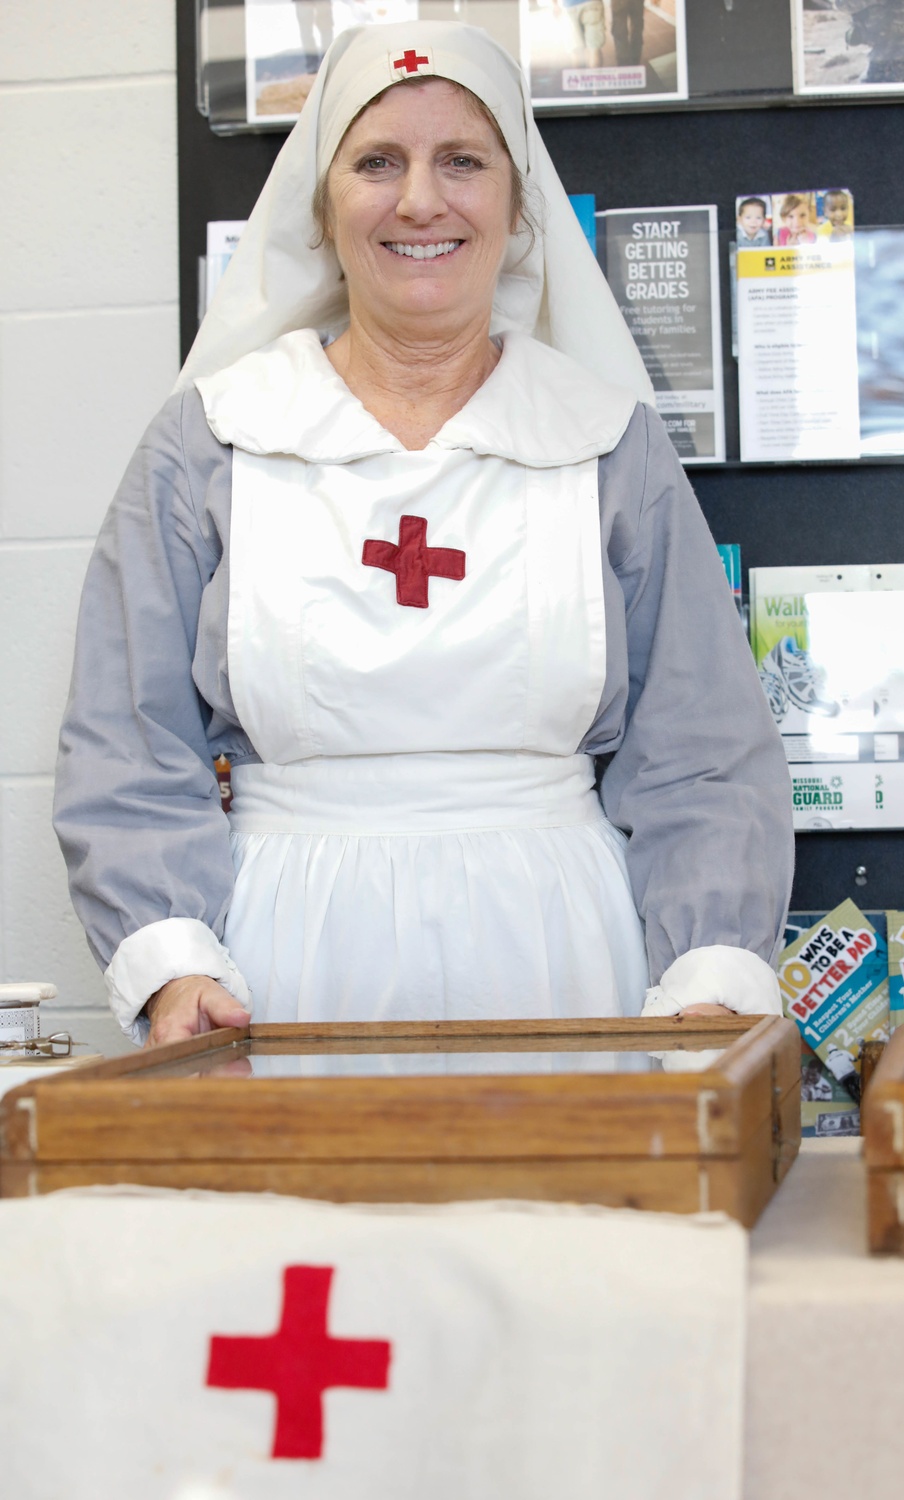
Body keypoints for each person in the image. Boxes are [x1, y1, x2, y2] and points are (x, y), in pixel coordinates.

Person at [53, 21, 794, 1048]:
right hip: (278, 960)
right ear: (321, 203)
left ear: (515, 199)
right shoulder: (210, 441)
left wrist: (708, 971)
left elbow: (702, 755)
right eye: (376, 162)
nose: (419, 200)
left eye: (461, 161)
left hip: (564, 952)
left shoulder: (603, 441)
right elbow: (124, 740)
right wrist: (173, 964)